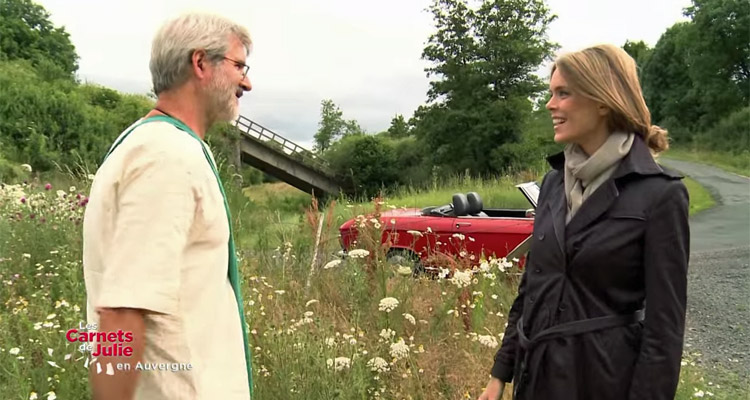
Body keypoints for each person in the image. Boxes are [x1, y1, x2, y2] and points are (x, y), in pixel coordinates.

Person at [478, 44, 690, 400]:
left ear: (603, 101)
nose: (550, 104)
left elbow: (664, 330)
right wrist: (500, 372)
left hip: (603, 382)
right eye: (551, 93)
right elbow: (532, 289)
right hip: (536, 379)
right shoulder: (552, 185)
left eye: (564, 93)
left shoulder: (659, 195)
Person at [82, 12, 254, 400]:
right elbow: (121, 314)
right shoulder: (167, 156)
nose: (247, 81)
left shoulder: (151, 145)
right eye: (239, 65)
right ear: (199, 63)